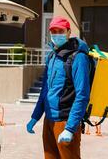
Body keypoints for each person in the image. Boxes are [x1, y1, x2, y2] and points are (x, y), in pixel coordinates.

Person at [26, 17, 90, 159]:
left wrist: (70, 128)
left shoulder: (78, 58)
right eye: (53, 31)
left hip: (65, 121)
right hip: (48, 121)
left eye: (60, 31)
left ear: (68, 32)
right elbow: (45, 91)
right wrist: (35, 117)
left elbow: (82, 95)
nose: (56, 34)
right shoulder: (51, 56)